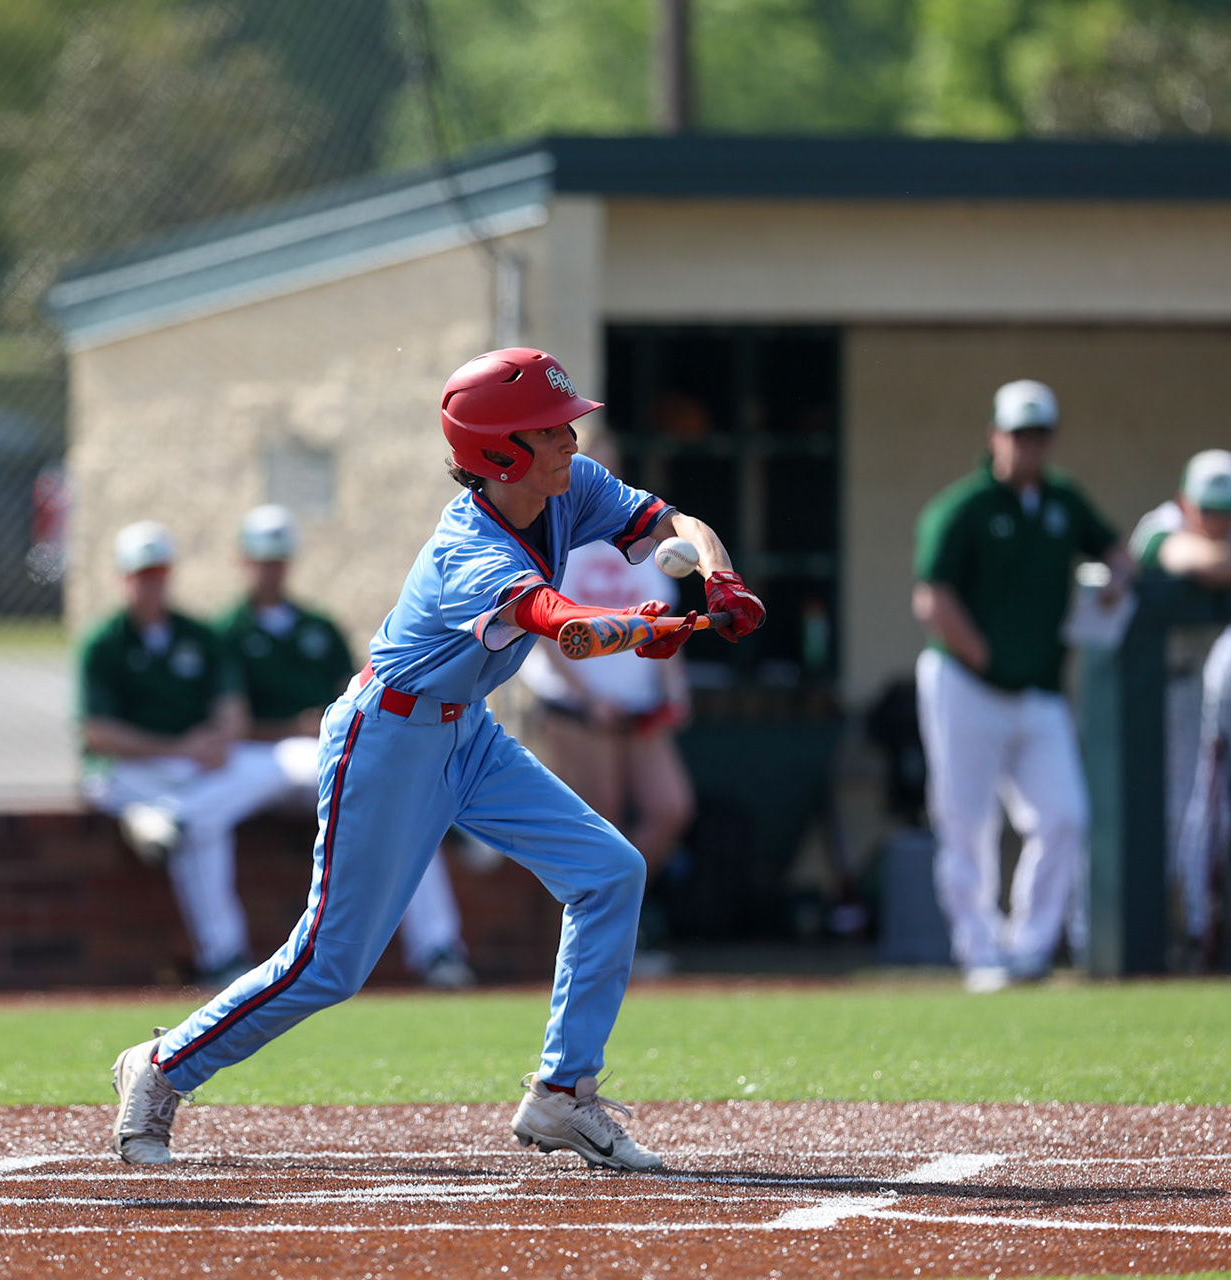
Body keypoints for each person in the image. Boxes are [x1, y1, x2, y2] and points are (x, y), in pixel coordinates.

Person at [108, 347, 763, 1170]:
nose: (569, 440)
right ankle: (162, 1065)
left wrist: (719, 577)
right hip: (386, 739)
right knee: (330, 962)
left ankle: (562, 1094)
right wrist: (651, 626)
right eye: (549, 430)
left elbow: (678, 524)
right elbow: (563, 624)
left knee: (610, 872)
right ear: (499, 452)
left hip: (468, 733)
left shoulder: (571, 486)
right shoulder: (469, 550)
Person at [912, 379, 1134, 994]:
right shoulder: (963, 507)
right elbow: (932, 598)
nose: (1028, 447)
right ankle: (981, 952)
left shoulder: (1063, 499)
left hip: (1038, 689)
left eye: (1038, 436)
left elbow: (1115, 549)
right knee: (966, 821)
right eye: (1017, 435)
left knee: (1065, 816)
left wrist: (1117, 578)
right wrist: (985, 656)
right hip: (966, 683)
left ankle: (1031, 949)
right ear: (995, 437)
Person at [219, 504, 476, 991]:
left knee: (402, 813)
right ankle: (221, 955)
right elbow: (226, 726)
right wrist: (289, 727)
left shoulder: (318, 625)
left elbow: (356, 696)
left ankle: (439, 946)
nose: (270, 569)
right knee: (192, 820)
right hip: (256, 758)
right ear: (243, 561)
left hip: (321, 751)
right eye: (261, 559)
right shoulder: (226, 631)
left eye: (278, 559)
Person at [78, 520, 302, 989]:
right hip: (127, 773)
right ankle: (223, 954)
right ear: (123, 578)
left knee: (266, 773)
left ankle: (172, 825)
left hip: (187, 771)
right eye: (141, 574)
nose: (151, 584)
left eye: (158, 572)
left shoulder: (198, 635)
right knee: (203, 815)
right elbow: (97, 734)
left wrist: (216, 740)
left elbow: (232, 711)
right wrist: (178, 747)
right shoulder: (104, 642)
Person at [517, 432, 695, 956]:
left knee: (670, 809)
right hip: (575, 708)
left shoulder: (638, 544)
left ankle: (614, 916)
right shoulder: (551, 538)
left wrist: (674, 690)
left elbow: (663, 622)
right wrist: (589, 698)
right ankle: (588, 940)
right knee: (602, 822)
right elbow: (541, 627)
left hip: (639, 707)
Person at [1129, 449, 1231, 960]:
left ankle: (1194, 928)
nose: (1216, 521)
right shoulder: (1159, 527)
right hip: (1149, 696)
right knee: (1152, 816)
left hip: (1206, 690)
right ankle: (1114, 939)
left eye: (1226, 511)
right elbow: (1196, 561)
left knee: (1209, 812)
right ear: (1184, 503)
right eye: (1207, 510)